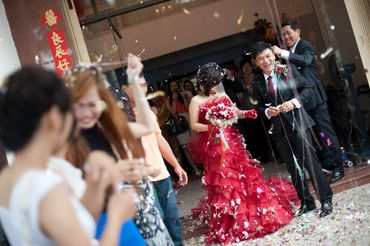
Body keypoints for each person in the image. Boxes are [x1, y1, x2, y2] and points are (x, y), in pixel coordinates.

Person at [0, 67, 135, 245]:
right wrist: (116, 217)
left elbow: (72, 227)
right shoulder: (46, 187)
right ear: (55, 116)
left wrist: (96, 183)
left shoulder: (6, 178)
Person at [64, 54, 174, 246]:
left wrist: (135, 84)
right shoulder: (66, 142)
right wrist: (115, 174)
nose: (86, 113)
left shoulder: (105, 130)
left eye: (92, 104)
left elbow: (146, 127)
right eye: (78, 105)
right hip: (96, 224)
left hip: (125, 215)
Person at [188, 62, 298, 244]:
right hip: (215, 146)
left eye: (218, 82)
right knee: (226, 182)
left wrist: (247, 113)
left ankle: (252, 215)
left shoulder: (223, 94)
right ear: (206, 82)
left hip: (232, 141)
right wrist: (213, 126)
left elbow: (235, 112)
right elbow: (194, 125)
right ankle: (235, 220)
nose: (217, 85)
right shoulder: (196, 101)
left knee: (244, 175)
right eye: (214, 82)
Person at [251, 42, 334, 219]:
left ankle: (325, 199)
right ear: (256, 63)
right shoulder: (257, 83)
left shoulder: (285, 70)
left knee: (311, 163)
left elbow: (309, 88)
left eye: (268, 56)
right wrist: (266, 111)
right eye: (260, 59)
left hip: (299, 123)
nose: (266, 61)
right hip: (278, 130)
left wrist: (293, 103)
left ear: (273, 55)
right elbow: (256, 107)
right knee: (293, 167)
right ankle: (306, 202)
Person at [272, 20, 344, 183]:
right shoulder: (289, 53)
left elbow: (304, 60)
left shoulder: (305, 46)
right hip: (300, 102)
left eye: (288, 33)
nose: (286, 37)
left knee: (327, 133)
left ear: (298, 32)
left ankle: (338, 166)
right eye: (283, 35)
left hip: (315, 100)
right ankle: (327, 165)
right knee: (316, 136)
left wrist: (282, 52)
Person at [121, 75, 188, 246]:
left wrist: (176, 165)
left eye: (143, 85)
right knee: (156, 222)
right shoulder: (120, 116)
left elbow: (159, 141)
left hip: (162, 175)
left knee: (173, 220)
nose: (141, 90)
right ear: (125, 89)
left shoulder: (148, 112)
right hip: (142, 180)